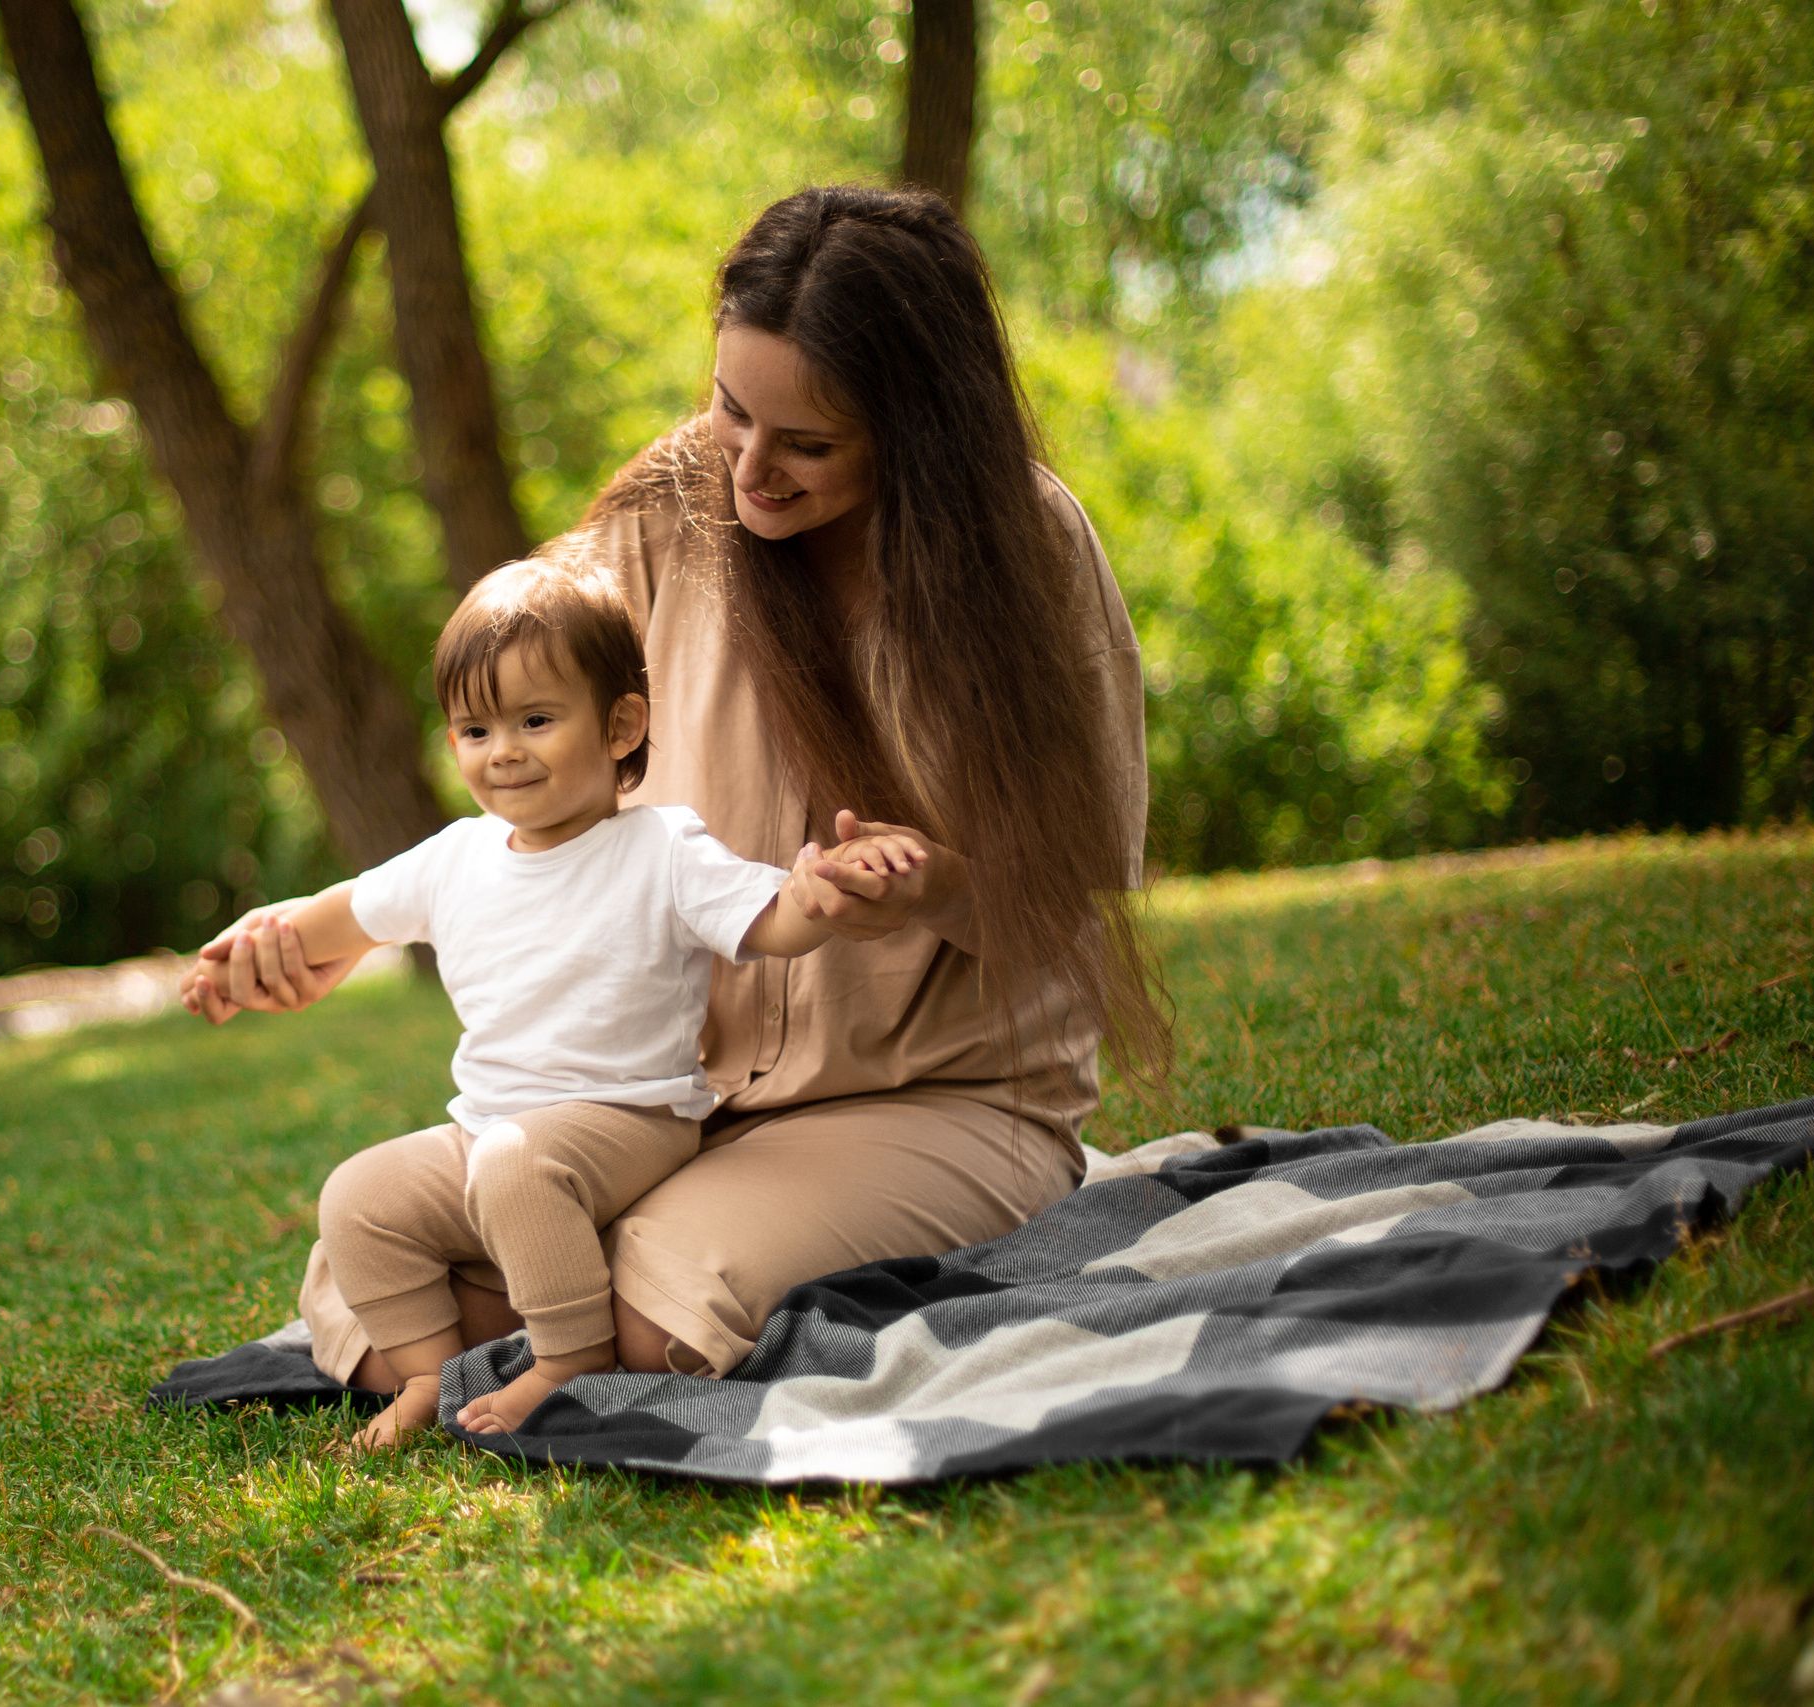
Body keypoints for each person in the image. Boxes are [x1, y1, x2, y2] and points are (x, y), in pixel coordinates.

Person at [189, 182, 1164, 1403]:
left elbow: (1055, 920)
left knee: (652, 1313)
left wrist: (926, 890)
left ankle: (598, 1298)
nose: (750, 466)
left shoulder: (1030, 557)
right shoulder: (674, 502)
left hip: (934, 1102)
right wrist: (333, 934)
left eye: (807, 442)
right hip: (667, 1103)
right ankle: (570, 1295)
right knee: (372, 1264)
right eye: (729, 408)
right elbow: (530, 715)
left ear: (920, 427)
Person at [181, 561, 927, 1445]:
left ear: (621, 725)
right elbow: (344, 914)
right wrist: (247, 956)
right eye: (474, 727)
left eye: (536, 720)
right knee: (358, 1194)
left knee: (514, 1165)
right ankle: (426, 1374)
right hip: (488, 1129)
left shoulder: (661, 848)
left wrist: (824, 884)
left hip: (629, 1118)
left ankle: (572, 1360)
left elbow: (774, 921)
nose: (503, 750)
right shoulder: (456, 857)